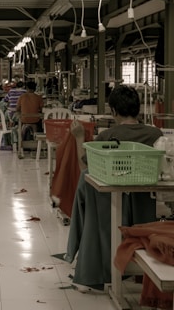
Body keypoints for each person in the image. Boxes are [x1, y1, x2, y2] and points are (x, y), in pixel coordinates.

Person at [65, 85, 163, 290]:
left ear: (114, 112)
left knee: (83, 191)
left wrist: (79, 138)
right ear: (138, 109)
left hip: (109, 203)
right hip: (145, 203)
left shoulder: (108, 136)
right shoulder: (156, 134)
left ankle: (76, 251)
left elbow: (86, 170)